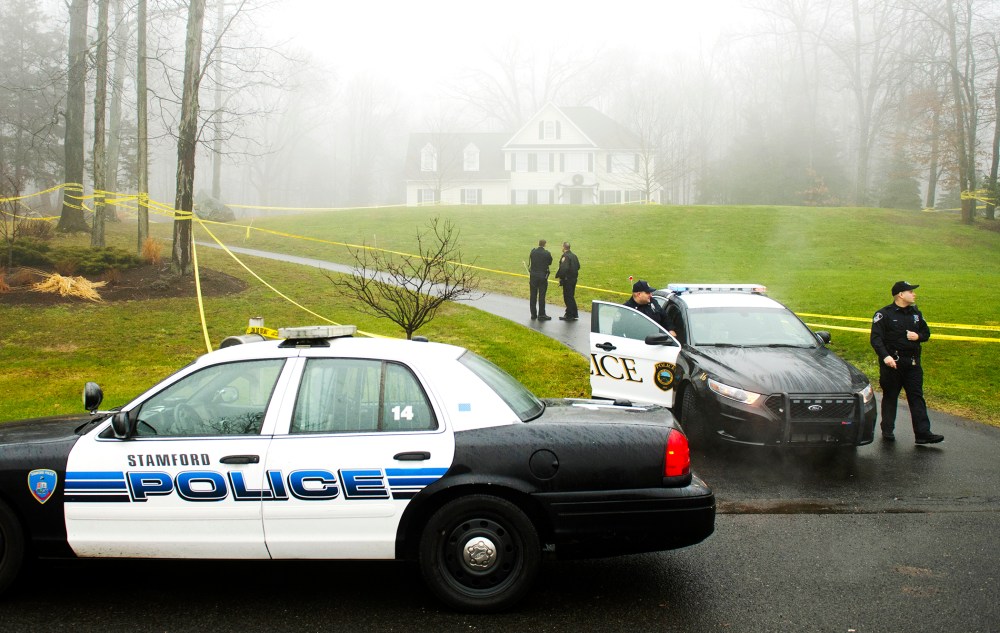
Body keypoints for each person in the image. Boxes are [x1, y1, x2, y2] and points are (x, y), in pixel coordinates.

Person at [870, 281, 943, 444]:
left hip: (913, 364)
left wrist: (918, 337)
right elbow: (876, 339)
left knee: (917, 397)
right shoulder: (884, 314)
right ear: (900, 295)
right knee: (890, 396)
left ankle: (923, 433)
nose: (914, 294)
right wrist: (885, 356)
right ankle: (887, 431)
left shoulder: (916, 313)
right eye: (910, 291)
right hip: (892, 364)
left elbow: (926, 333)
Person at [527, 239, 552, 321]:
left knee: (533, 295)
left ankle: (533, 314)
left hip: (533, 276)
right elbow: (550, 262)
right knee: (542, 296)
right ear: (545, 245)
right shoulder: (546, 253)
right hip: (542, 277)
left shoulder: (533, 252)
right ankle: (541, 314)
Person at [555, 241, 580, 321]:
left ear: (563, 247)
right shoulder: (574, 256)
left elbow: (564, 268)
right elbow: (578, 266)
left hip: (567, 280)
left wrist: (559, 276)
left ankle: (569, 315)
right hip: (574, 279)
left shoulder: (565, 256)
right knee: (571, 296)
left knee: (567, 297)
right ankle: (573, 313)